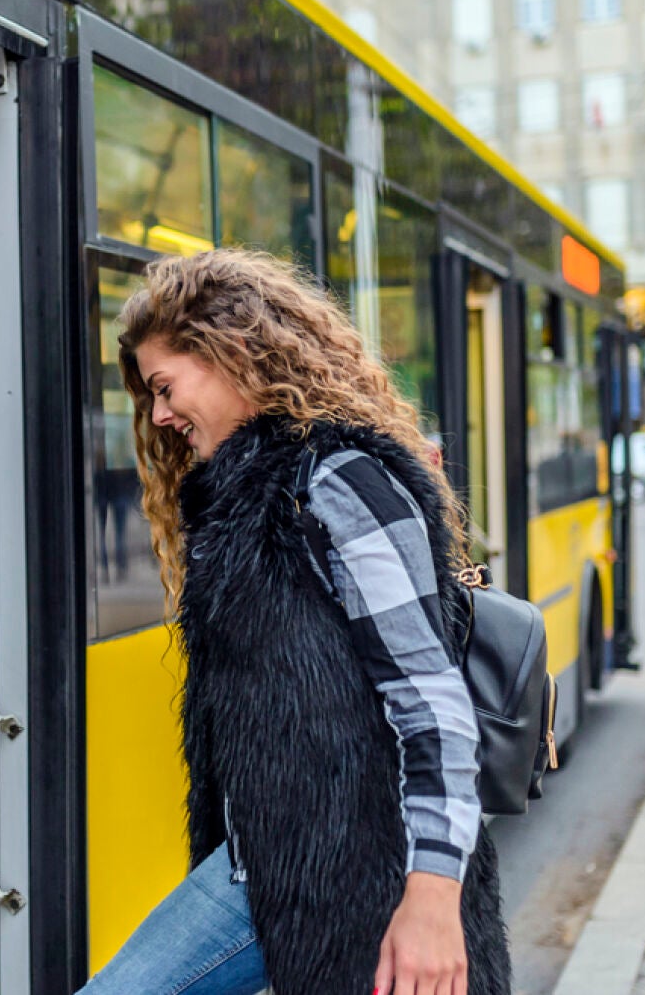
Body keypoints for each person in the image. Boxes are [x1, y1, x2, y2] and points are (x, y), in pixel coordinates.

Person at [80, 249, 508, 995]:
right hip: (260, 868)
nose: (158, 415)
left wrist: (434, 899)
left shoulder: (339, 480)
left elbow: (432, 704)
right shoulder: (248, 495)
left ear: (230, 353)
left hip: (362, 875)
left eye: (163, 387)